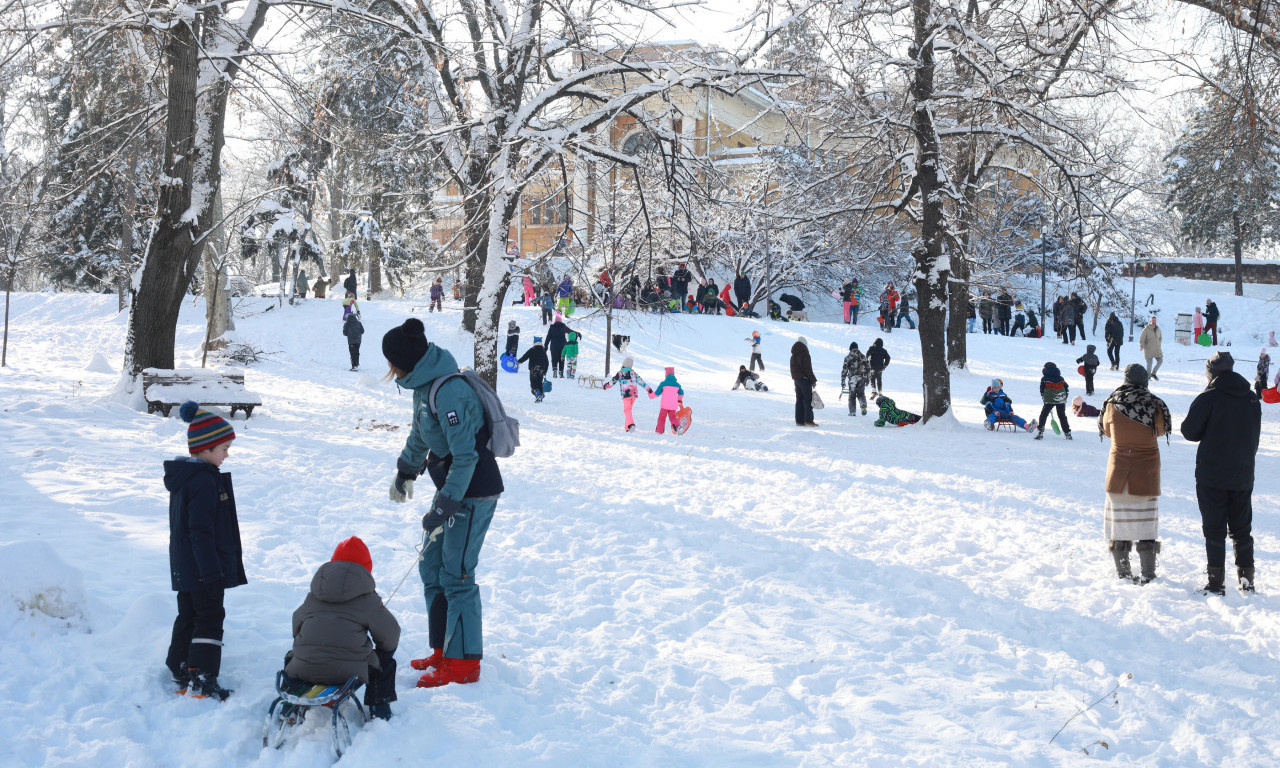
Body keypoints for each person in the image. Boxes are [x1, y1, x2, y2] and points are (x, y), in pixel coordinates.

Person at [383, 318, 504, 687]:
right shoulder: (424, 386)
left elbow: (466, 455)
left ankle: (463, 663)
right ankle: (443, 649)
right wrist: (406, 470)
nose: (389, 368)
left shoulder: (449, 392)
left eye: (391, 362)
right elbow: (420, 434)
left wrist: (446, 504)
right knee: (432, 567)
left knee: (457, 574)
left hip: (474, 490)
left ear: (404, 362)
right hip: (452, 486)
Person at [164, 401, 246, 701]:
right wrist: (211, 573)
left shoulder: (187, 478)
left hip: (187, 567)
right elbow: (200, 532)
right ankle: (202, 679)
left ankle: (181, 669)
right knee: (210, 617)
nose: (227, 455)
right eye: (224, 448)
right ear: (205, 448)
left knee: (188, 615)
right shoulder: (202, 482)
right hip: (203, 568)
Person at [282, 536, 400, 720]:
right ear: (366, 568)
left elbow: (296, 623)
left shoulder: (315, 594)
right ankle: (379, 710)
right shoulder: (368, 599)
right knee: (384, 662)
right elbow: (391, 634)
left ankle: (290, 703)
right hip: (347, 674)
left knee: (292, 656)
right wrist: (380, 649)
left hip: (305, 668)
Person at [1181, 352, 1261, 595]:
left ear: (1211, 373)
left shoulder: (1209, 397)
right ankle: (1247, 582)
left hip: (1212, 475)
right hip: (1243, 473)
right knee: (1242, 529)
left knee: (1214, 528)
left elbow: (1189, 431)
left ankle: (1216, 583)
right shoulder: (1251, 398)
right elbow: (1254, 436)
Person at [1099, 365, 1170, 584]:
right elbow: (1161, 431)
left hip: (1118, 472)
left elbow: (1106, 431)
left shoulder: (1112, 403)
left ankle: (1123, 572)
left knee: (1119, 524)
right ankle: (1148, 573)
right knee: (1146, 525)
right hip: (1146, 472)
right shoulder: (1155, 404)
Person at [602, 356, 656, 432]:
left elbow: (612, 382)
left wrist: (605, 386)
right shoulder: (634, 373)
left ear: (623, 364)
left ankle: (631, 425)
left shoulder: (620, 373)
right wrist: (649, 390)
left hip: (626, 394)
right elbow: (641, 382)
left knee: (627, 410)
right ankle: (627, 427)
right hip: (634, 395)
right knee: (628, 410)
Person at [1034, 361, 1072, 440]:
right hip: (1061, 398)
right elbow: (1066, 388)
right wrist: (1064, 397)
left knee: (1044, 415)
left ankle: (1040, 432)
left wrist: (1044, 398)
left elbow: (1042, 389)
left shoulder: (1044, 378)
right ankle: (1067, 433)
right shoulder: (1061, 378)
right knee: (1062, 416)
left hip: (1049, 399)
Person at [790, 336, 819, 427]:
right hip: (804, 380)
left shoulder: (793, 355)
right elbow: (808, 369)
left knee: (799, 400)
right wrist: (813, 380)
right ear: (804, 344)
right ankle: (808, 421)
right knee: (808, 400)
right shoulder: (804, 353)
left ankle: (799, 421)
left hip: (796, 380)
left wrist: (796, 378)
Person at [840, 341, 870, 416]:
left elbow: (845, 370)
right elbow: (868, 368)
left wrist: (843, 380)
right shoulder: (863, 357)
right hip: (862, 377)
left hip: (852, 378)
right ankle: (863, 406)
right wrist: (868, 378)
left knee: (852, 395)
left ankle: (852, 412)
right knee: (861, 394)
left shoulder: (848, 358)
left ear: (850, 349)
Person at [653, 366, 686, 434]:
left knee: (662, 418)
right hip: (673, 405)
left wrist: (651, 395)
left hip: (664, 405)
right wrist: (679, 400)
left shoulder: (663, 384)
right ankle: (678, 427)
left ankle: (659, 431)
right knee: (673, 417)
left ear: (666, 375)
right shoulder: (677, 385)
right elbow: (681, 394)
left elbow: (657, 393)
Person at [517, 337, 549, 402]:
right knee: (539, 382)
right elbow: (547, 362)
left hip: (533, 369)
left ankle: (538, 393)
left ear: (534, 342)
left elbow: (525, 357)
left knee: (534, 383)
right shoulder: (543, 351)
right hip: (541, 369)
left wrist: (519, 362)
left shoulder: (532, 350)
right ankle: (540, 394)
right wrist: (545, 371)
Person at [1139, 316, 1162, 380]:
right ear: (1150, 321)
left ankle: (1153, 374)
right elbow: (1142, 338)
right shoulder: (1146, 329)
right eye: (1152, 320)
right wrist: (1141, 345)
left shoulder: (1158, 329)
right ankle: (1148, 377)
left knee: (1160, 361)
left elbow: (1160, 338)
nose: (1154, 321)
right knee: (1149, 364)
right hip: (1148, 349)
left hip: (1157, 349)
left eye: (1155, 320)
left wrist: (1159, 344)